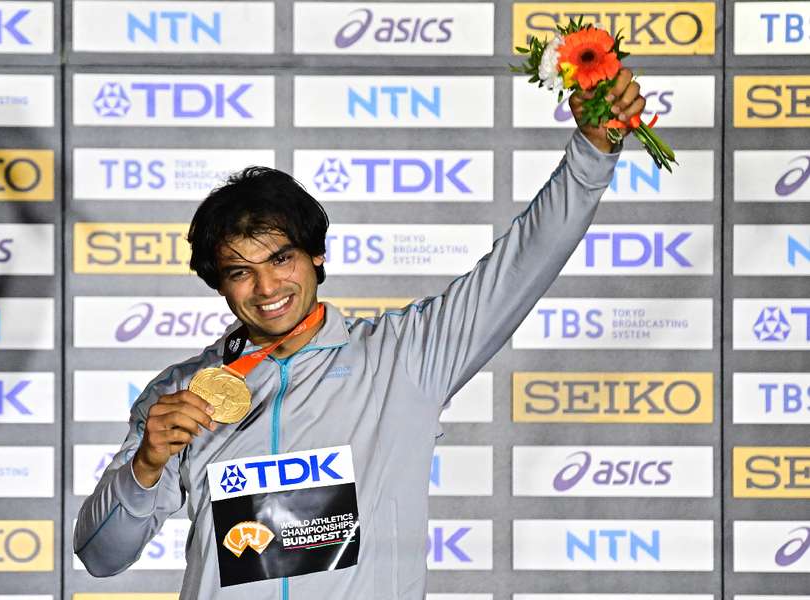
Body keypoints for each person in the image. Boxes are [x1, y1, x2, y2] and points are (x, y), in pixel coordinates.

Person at [75, 70, 646, 599]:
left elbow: (524, 261)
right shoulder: (182, 395)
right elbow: (101, 558)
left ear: (317, 256)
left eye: (282, 258)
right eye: (240, 271)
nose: (267, 286)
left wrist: (593, 152)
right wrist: (146, 465)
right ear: (219, 284)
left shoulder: (407, 356)